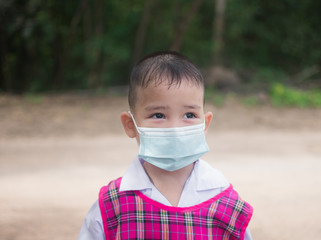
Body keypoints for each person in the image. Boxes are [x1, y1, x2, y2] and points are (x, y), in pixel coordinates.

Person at [78, 51, 253, 240]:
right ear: (131, 125)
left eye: (189, 115)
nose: (175, 128)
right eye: (158, 115)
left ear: (205, 124)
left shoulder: (226, 204)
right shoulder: (113, 206)